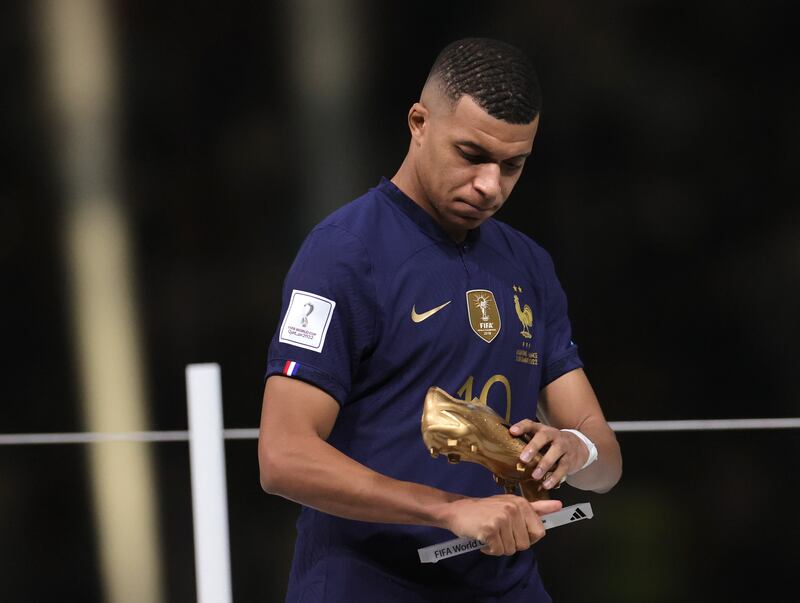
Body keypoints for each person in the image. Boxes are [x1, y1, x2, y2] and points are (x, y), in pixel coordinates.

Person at [259, 37, 622, 602]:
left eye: (513, 165)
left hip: (505, 583)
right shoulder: (344, 252)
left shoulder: (528, 264)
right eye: (472, 155)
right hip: (367, 582)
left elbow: (605, 463)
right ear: (419, 122)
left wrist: (576, 448)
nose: (490, 186)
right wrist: (451, 510)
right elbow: (282, 457)